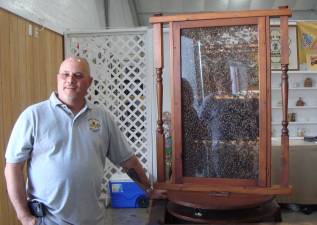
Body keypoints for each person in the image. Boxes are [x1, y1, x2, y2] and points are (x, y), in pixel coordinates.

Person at [4, 57, 162, 225]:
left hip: (92, 220)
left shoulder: (102, 117)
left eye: (78, 75)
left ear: (89, 82)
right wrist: (25, 217)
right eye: (65, 74)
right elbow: (13, 167)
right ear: (58, 78)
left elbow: (128, 161)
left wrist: (148, 190)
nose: (70, 80)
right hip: (47, 221)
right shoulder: (33, 116)